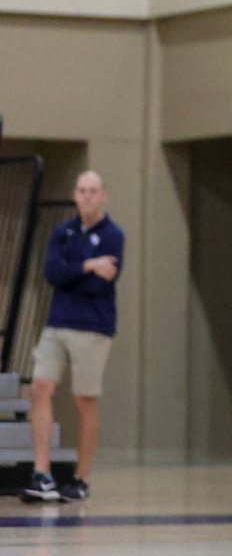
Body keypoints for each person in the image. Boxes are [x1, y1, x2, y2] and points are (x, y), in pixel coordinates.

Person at [20, 171, 124, 503]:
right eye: (82, 191)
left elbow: (100, 284)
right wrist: (88, 265)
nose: (87, 197)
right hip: (58, 321)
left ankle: (81, 478)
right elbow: (52, 272)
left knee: (84, 400)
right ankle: (42, 474)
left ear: (103, 195)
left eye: (93, 191)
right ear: (74, 195)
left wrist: (80, 270)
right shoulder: (62, 231)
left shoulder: (113, 235)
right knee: (40, 387)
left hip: (93, 326)